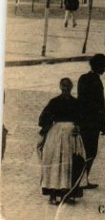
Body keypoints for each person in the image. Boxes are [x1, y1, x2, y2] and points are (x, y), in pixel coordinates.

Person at [38, 77, 86, 205]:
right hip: (56, 135)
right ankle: (52, 195)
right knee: (55, 163)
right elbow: (43, 118)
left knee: (70, 164)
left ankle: (68, 194)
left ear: (71, 88)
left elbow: (82, 118)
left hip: (72, 136)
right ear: (60, 87)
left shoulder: (76, 103)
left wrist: (78, 126)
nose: (65, 88)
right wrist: (47, 129)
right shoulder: (54, 102)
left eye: (68, 86)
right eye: (63, 86)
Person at [77, 53, 105, 189]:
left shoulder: (83, 78)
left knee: (84, 151)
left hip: (83, 120)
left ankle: (82, 179)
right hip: (92, 122)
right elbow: (99, 106)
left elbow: (80, 100)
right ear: (100, 66)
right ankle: (82, 180)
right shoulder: (96, 81)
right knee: (91, 152)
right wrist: (103, 125)